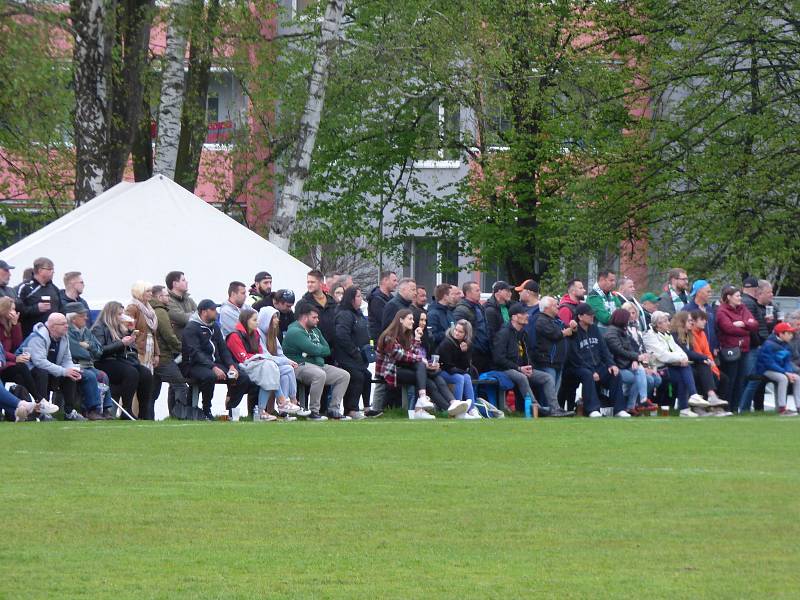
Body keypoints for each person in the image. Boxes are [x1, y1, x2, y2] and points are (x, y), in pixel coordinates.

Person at [375, 309, 468, 419]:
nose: (413, 322)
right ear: (400, 320)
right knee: (423, 371)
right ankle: (442, 408)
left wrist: (417, 339)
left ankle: (451, 406)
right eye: (410, 319)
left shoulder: (407, 335)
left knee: (430, 380)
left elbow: (413, 353)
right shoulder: (389, 336)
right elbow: (400, 355)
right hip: (391, 371)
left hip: (404, 368)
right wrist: (421, 359)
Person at [493, 304, 571, 417]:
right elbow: (498, 358)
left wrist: (529, 367)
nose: (527, 315)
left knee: (547, 377)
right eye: (523, 314)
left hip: (522, 369)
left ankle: (555, 409)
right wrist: (519, 368)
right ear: (514, 317)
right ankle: (536, 408)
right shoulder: (504, 333)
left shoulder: (523, 333)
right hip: (505, 369)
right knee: (521, 377)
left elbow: (528, 354)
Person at [180, 299, 252, 420]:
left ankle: (229, 410)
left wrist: (231, 365)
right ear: (204, 312)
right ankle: (206, 409)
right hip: (194, 365)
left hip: (215, 363)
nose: (216, 313)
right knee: (210, 376)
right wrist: (213, 367)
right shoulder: (191, 328)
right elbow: (195, 353)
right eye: (213, 310)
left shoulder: (215, 327)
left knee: (243, 378)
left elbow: (223, 349)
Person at [283, 303, 351, 420]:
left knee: (344, 375)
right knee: (319, 375)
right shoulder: (295, 331)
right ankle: (314, 412)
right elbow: (314, 349)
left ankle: (334, 409)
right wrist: (314, 351)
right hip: (298, 366)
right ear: (305, 318)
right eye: (314, 317)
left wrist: (313, 352)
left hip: (317, 364)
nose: (317, 320)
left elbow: (327, 349)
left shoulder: (315, 330)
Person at [92, 302, 155, 420]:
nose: (122, 317)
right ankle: (126, 410)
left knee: (146, 373)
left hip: (120, 361)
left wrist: (131, 334)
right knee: (131, 372)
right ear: (111, 314)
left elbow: (131, 350)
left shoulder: (121, 328)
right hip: (104, 362)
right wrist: (121, 343)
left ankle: (144, 413)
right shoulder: (99, 328)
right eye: (119, 314)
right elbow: (99, 351)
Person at [565, 303, 626, 418]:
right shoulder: (574, 331)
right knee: (588, 375)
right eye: (589, 315)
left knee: (615, 373)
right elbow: (575, 356)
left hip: (597, 366)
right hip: (578, 367)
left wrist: (611, 364)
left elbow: (604, 349)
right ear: (580, 317)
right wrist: (592, 370)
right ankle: (592, 409)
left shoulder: (594, 329)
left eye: (593, 314)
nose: (592, 317)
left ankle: (619, 409)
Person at [642, 311, 708, 417]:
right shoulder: (650, 336)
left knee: (684, 370)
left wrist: (683, 358)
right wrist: (680, 359)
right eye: (666, 321)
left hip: (668, 366)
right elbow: (662, 355)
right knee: (684, 372)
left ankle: (688, 403)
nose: (669, 323)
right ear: (658, 324)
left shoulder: (667, 334)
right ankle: (689, 402)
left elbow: (678, 350)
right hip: (657, 369)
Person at [225, 308, 281, 422]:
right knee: (269, 367)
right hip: (239, 367)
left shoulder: (255, 334)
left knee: (270, 366)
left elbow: (260, 353)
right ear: (246, 321)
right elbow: (243, 358)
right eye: (255, 320)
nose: (258, 322)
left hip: (254, 365)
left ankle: (262, 411)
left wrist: (259, 357)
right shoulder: (234, 336)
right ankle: (279, 402)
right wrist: (258, 357)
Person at [25, 313, 83, 420]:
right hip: (28, 371)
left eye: (66, 323)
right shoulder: (37, 337)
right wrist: (64, 371)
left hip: (51, 371)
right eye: (63, 324)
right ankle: (43, 412)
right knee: (42, 372)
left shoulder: (64, 337)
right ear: (52, 326)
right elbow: (39, 362)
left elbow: (67, 359)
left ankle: (69, 412)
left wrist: (71, 370)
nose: (67, 326)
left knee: (71, 374)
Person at [0, 296, 51, 410]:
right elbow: (1, 350)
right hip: (3, 363)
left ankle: (28, 409)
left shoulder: (10, 326)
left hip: (8, 363)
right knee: (22, 368)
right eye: (11, 309)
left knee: (35, 372)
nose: (14, 312)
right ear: (4, 309)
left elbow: (17, 346)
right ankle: (38, 400)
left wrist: (15, 325)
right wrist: (15, 358)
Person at [670, 311, 727, 413]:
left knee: (705, 368)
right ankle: (701, 406)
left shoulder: (689, 335)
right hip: (677, 366)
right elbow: (686, 352)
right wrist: (705, 358)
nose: (692, 323)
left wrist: (704, 359)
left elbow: (692, 353)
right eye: (690, 321)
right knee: (699, 371)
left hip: (687, 364)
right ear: (682, 322)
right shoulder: (675, 335)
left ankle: (711, 398)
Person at [65, 303, 115, 420]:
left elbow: (99, 351)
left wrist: (88, 346)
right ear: (73, 318)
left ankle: (106, 409)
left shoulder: (86, 331)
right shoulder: (67, 331)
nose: (86, 318)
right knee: (91, 376)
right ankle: (91, 410)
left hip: (88, 365)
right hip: (75, 365)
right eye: (83, 316)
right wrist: (90, 351)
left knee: (103, 375)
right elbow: (75, 351)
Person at [715, 285, 759, 412]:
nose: (740, 298)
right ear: (728, 297)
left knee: (741, 379)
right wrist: (746, 329)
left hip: (744, 349)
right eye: (738, 296)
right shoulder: (722, 311)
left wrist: (743, 324)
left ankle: (735, 407)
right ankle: (727, 406)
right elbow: (728, 328)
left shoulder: (743, 308)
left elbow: (754, 324)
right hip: (731, 349)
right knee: (731, 378)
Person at [256, 306, 305, 416]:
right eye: (274, 318)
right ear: (266, 319)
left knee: (287, 370)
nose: (277, 320)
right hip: (261, 367)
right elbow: (265, 356)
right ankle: (290, 402)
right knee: (286, 369)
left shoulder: (272, 334)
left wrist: (289, 361)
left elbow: (280, 354)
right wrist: (285, 362)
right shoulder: (258, 333)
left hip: (273, 366)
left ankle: (285, 407)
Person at [604, 308, 654, 414]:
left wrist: (635, 360)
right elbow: (619, 351)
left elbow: (630, 348)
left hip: (625, 364)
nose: (629, 320)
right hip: (616, 366)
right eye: (627, 318)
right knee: (637, 378)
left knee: (643, 374)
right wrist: (636, 357)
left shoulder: (622, 331)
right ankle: (633, 404)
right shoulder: (611, 333)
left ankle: (641, 400)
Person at [334, 287, 372, 420]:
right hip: (346, 357)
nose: (361, 299)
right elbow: (342, 335)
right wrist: (354, 351)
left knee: (367, 375)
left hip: (359, 356)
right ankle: (351, 409)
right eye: (358, 296)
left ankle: (367, 407)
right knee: (357, 376)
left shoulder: (358, 313)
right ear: (351, 299)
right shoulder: (345, 314)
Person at [150, 285, 189, 417]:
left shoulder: (152, 309)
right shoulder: (160, 312)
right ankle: (180, 415)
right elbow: (168, 335)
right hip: (164, 357)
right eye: (166, 295)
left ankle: (148, 416)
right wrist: (181, 348)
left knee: (153, 392)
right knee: (180, 385)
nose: (168, 298)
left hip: (155, 356)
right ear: (159, 297)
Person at [739, 278, 776, 412]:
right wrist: (758, 342)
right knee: (752, 377)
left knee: (752, 378)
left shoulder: (754, 303)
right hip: (753, 346)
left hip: (756, 344)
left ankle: (744, 407)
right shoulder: (749, 303)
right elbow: (751, 327)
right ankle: (743, 408)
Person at [435, 320, 482, 419]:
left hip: (455, 371)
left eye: (460, 332)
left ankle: (472, 409)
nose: (456, 333)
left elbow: (466, 366)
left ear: (466, 334)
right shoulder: (447, 343)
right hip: (442, 371)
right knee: (460, 378)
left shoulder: (467, 344)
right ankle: (457, 410)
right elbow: (448, 367)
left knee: (467, 377)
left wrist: (464, 352)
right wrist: (464, 371)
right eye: (456, 330)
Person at [620, 301, 662, 405]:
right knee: (649, 379)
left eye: (634, 313)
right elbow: (628, 350)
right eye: (629, 313)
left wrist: (647, 366)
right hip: (628, 364)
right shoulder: (623, 330)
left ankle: (638, 402)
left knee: (657, 379)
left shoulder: (637, 329)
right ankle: (633, 404)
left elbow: (642, 349)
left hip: (640, 362)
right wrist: (641, 365)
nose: (632, 316)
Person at [688, 310, 730, 414]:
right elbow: (697, 352)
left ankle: (718, 406)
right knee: (709, 374)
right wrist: (710, 364)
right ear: (693, 321)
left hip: (705, 362)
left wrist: (714, 367)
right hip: (696, 363)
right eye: (702, 319)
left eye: (705, 319)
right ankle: (709, 405)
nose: (705, 322)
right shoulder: (691, 334)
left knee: (724, 378)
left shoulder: (702, 333)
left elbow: (707, 352)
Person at [532, 296, 574, 395]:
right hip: (548, 361)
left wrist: (573, 328)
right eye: (554, 305)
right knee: (549, 391)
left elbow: (568, 330)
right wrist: (564, 333)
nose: (558, 307)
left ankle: (554, 409)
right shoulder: (541, 320)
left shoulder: (556, 320)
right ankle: (548, 410)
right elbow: (555, 334)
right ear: (546, 308)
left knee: (555, 391)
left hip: (558, 361)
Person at [756, 322, 800, 416]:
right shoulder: (768, 344)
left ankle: (798, 407)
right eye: (789, 333)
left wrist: (789, 372)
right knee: (783, 378)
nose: (791, 336)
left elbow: (787, 361)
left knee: (797, 378)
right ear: (781, 334)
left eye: (792, 333)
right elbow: (769, 363)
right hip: (766, 370)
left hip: (780, 370)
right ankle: (782, 408)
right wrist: (785, 373)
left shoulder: (786, 344)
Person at [294, 270, 338, 354]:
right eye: (308, 282)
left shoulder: (332, 302)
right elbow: (297, 328)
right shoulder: (303, 304)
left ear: (321, 282)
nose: (309, 285)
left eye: (312, 282)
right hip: (314, 350)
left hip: (334, 350)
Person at [453, 281, 492, 373]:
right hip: (473, 352)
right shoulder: (461, 309)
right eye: (477, 290)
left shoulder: (479, 307)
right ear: (468, 293)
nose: (480, 293)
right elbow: (459, 332)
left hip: (484, 350)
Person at [18, 257, 61, 336]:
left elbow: (61, 308)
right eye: (50, 269)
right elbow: (17, 310)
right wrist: (36, 308)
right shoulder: (25, 287)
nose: (53, 272)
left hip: (53, 335)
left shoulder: (54, 288)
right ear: (40, 270)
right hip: (32, 335)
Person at [125, 281, 160, 377]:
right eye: (147, 291)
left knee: (148, 377)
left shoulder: (149, 309)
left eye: (151, 291)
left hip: (149, 347)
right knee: (140, 377)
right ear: (139, 292)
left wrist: (156, 353)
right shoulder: (132, 307)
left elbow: (153, 333)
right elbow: (128, 330)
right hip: (139, 349)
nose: (151, 294)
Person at [684, 280, 718, 354]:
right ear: (699, 292)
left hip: (712, 351)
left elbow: (714, 328)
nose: (710, 294)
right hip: (697, 351)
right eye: (708, 292)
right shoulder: (687, 310)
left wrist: (716, 345)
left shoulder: (709, 308)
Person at [165, 271, 197, 341]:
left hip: (194, 341)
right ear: (175, 284)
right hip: (179, 344)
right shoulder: (168, 301)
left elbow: (201, 316)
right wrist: (193, 314)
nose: (187, 282)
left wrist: (192, 316)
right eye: (183, 280)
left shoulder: (189, 300)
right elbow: (183, 319)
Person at [367, 270, 398, 342]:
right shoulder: (376, 299)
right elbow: (385, 320)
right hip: (379, 341)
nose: (396, 283)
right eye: (394, 280)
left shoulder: (392, 298)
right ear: (385, 280)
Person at [427, 283, 455, 348]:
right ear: (445, 296)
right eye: (452, 294)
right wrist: (448, 333)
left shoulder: (449, 312)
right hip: (438, 353)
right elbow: (432, 337)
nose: (453, 297)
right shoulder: (432, 315)